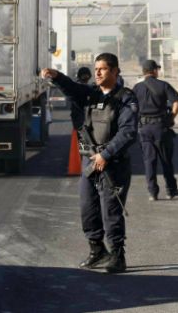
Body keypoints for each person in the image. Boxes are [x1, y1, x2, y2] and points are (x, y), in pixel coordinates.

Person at [40, 53, 137, 274]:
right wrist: (56, 76)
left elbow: (129, 132)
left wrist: (107, 154)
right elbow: (72, 89)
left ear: (115, 71)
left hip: (112, 164)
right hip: (90, 163)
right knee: (88, 208)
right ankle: (97, 250)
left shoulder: (125, 98)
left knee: (111, 211)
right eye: (96, 69)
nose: (98, 73)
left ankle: (117, 255)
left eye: (103, 69)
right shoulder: (92, 94)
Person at [132, 59, 178, 201]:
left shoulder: (137, 88)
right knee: (166, 160)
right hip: (161, 127)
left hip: (144, 129)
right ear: (154, 71)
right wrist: (171, 118)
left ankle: (153, 193)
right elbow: (176, 103)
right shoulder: (163, 85)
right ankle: (171, 191)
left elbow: (131, 108)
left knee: (149, 161)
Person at [70, 67, 92, 131]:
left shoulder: (86, 86)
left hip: (81, 115)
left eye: (87, 76)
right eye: (84, 76)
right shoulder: (78, 87)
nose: (86, 78)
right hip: (79, 115)